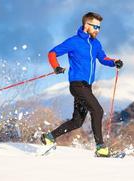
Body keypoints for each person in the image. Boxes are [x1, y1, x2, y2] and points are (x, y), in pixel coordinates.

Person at [41, 12, 123, 157]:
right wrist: (56, 67)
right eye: (95, 26)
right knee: (97, 111)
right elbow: (52, 53)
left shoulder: (96, 44)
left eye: (99, 28)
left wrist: (114, 62)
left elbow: (103, 58)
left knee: (77, 122)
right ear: (86, 25)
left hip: (87, 87)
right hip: (77, 85)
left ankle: (49, 137)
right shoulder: (74, 41)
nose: (98, 30)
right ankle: (100, 147)